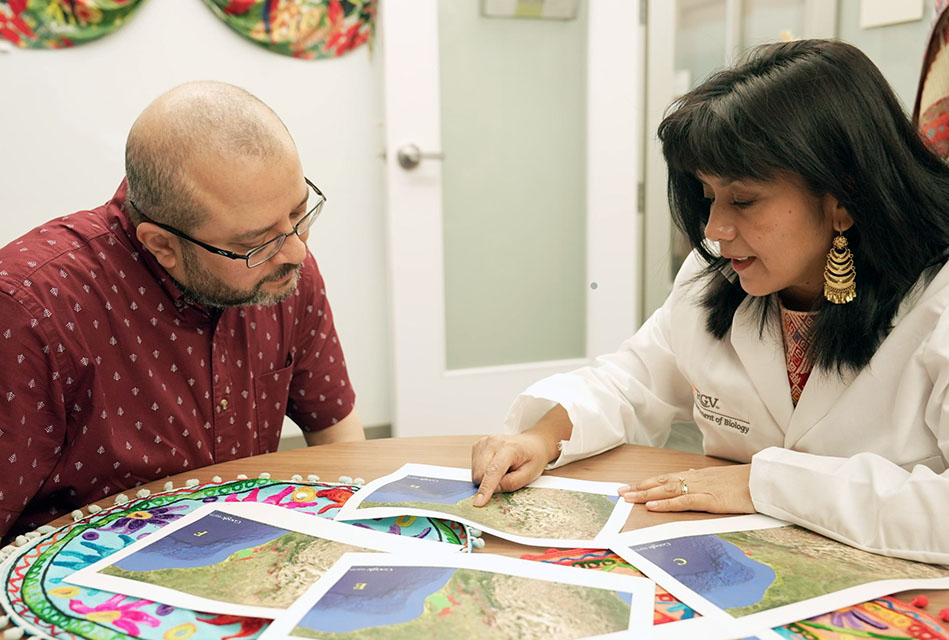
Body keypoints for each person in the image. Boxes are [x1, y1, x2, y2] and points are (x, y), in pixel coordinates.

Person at [471, 39, 949, 565]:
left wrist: (764, 484)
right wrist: (542, 438)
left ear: (843, 198)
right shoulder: (719, 273)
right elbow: (633, 382)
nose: (717, 231)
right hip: (743, 562)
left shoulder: (939, 299)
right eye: (708, 197)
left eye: (743, 200)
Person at [0, 81, 364, 542]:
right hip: (79, 586)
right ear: (162, 244)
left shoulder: (284, 268)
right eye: (254, 243)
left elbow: (336, 433)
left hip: (245, 557)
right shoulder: (31, 313)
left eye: (298, 213)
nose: (294, 250)